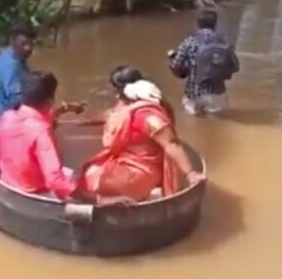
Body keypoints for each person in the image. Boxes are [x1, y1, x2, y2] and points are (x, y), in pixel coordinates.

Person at [78, 66, 206, 204]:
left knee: (97, 181)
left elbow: (171, 144)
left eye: (118, 91)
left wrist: (190, 173)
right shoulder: (130, 108)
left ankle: (132, 198)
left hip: (143, 168)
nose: (116, 96)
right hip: (128, 160)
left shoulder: (149, 118)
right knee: (91, 172)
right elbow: (111, 116)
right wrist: (85, 122)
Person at [0, 71, 93, 202]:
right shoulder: (41, 131)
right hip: (35, 194)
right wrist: (96, 200)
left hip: (9, 183)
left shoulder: (6, 117)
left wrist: (66, 108)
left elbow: (42, 116)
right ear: (50, 100)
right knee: (83, 182)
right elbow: (56, 182)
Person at [168, 9, 239, 116]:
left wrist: (171, 57)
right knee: (217, 127)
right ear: (215, 25)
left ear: (198, 24)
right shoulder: (224, 42)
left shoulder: (189, 41)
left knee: (192, 125)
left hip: (193, 93)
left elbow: (177, 66)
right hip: (217, 93)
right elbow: (235, 67)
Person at [0, 23, 36, 132]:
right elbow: (16, 99)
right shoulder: (11, 65)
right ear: (12, 41)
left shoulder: (9, 54)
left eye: (31, 44)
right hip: (3, 125)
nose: (28, 48)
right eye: (24, 43)